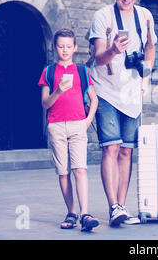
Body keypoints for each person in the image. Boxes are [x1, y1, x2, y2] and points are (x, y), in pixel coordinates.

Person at [86, 0, 157, 227]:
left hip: (131, 92)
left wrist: (146, 78)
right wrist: (114, 49)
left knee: (126, 151)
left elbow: (150, 48)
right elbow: (98, 58)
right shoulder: (102, 17)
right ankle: (113, 205)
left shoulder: (145, 16)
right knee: (111, 147)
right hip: (105, 89)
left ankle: (122, 208)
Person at [38, 28, 99, 231]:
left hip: (78, 125)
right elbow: (45, 104)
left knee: (80, 169)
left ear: (74, 48)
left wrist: (88, 120)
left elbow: (94, 99)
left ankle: (85, 214)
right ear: (55, 48)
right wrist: (58, 91)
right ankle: (71, 212)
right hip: (56, 126)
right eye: (60, 46)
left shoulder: (82, 71)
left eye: (68, 47)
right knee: (63, 172)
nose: (64, 50)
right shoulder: (48, 72)